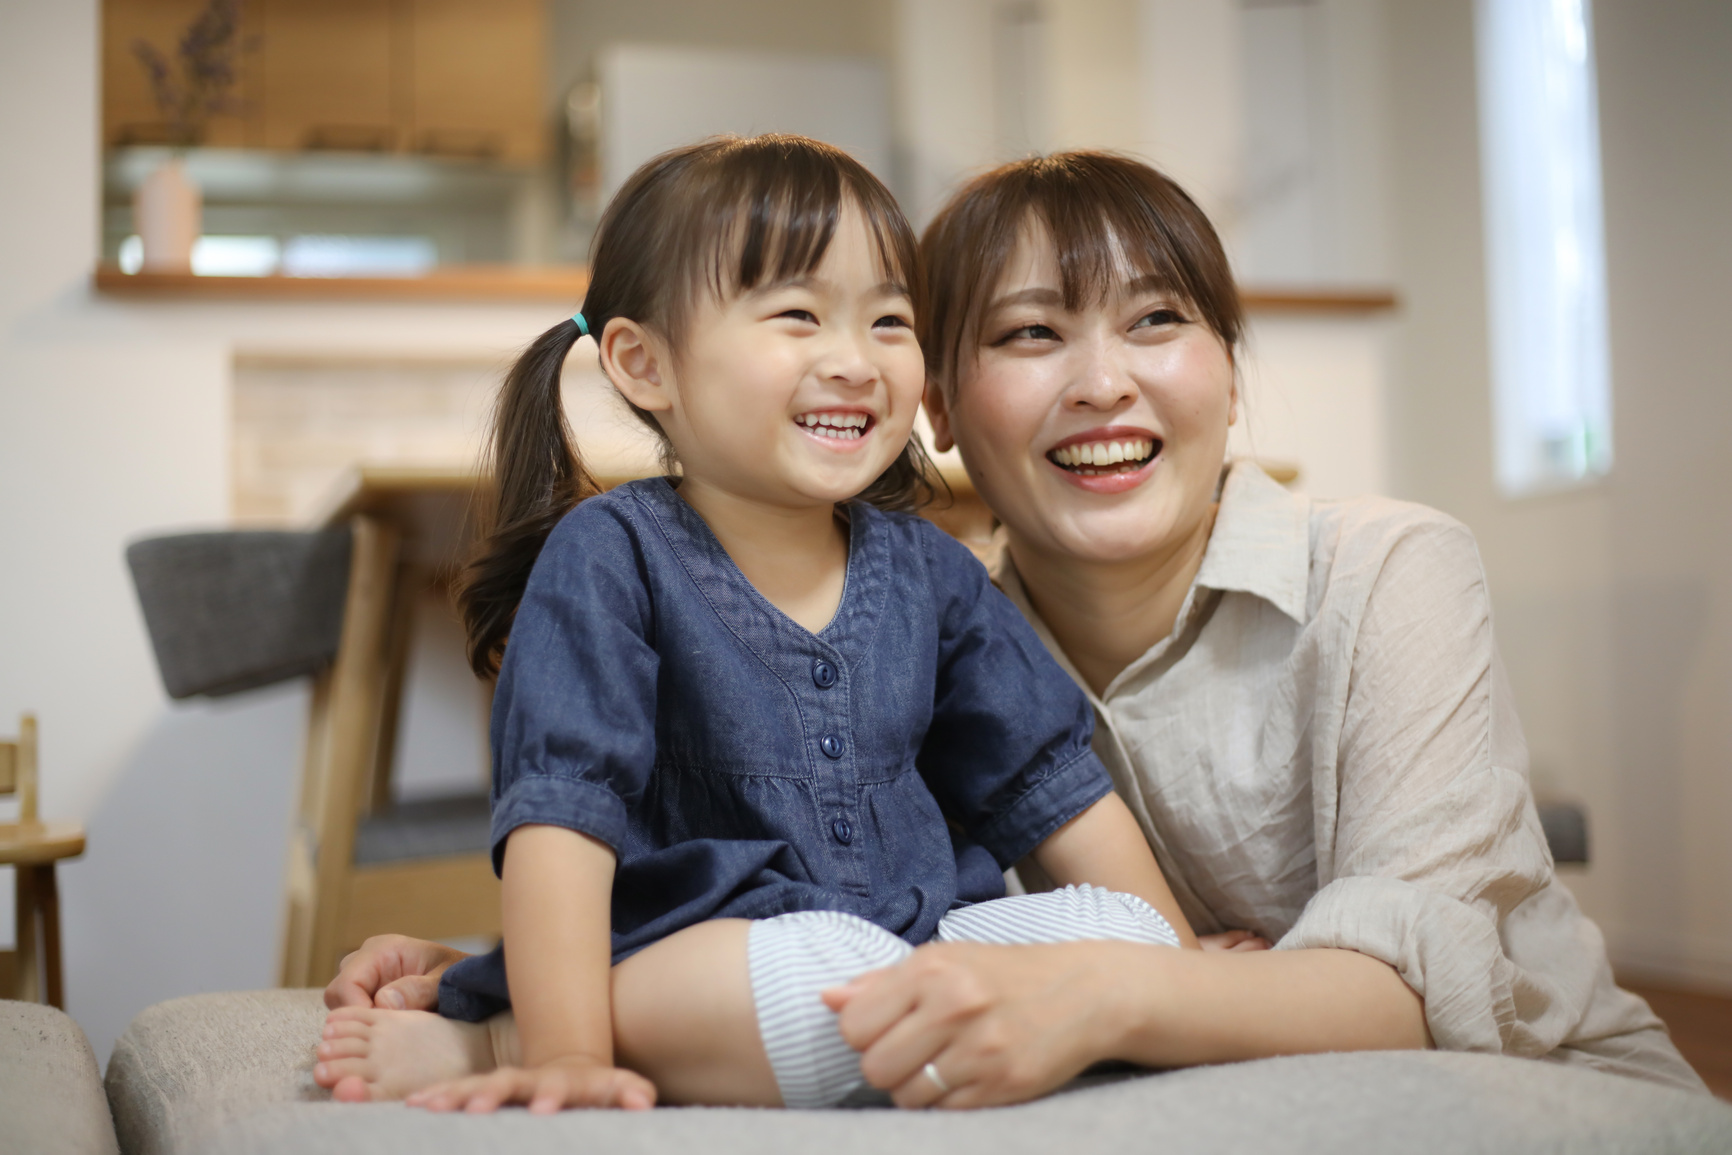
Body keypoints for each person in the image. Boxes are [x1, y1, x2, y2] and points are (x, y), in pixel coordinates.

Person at [323, 150, 1706, 1107]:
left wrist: (1132, 968)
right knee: (864, 968)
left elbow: (1072, 802)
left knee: (1052, 935)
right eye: (1034, 333)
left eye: (1160, 320)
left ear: (1230, 363)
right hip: (948, 1002)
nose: (1103, 382)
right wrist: (508, 978)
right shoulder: (825, 583)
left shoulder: (1377, 566)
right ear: (943, 407)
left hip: (1494, 1073)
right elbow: (666, 830)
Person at [313, 136, 1202, 1115]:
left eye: (889, 321)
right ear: (643, 363)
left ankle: (895, 1035)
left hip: (914, 946)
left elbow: (1048, 785)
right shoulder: (613, 556)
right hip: (706, 959)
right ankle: (500, 1034)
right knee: (802, 974)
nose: (853, 361)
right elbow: (564, 815)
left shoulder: (931, 573)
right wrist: (567, 1055)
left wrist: (1185, 974)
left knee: (1127, 938)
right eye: (797, 317)